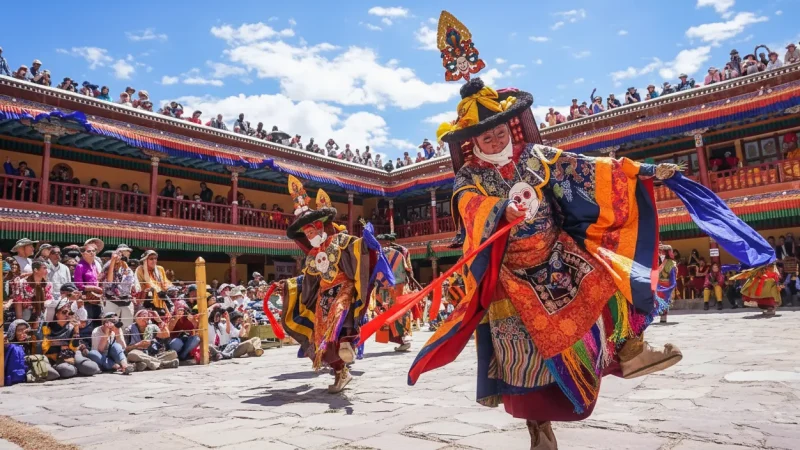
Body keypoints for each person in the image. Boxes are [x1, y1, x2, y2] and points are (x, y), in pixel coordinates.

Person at [401, 73, 686, 448]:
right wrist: (501, 210)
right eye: (485, 135)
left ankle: (631, 351)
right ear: (472, 140)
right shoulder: (469, 176)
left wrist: (643, 170)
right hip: (510, 276)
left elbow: (586, 168)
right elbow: (468, 207)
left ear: (510, 125)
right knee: (526, 356)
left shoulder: (535, 156)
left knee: (607, 279)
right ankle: (538, 427)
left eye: (499, 129)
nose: (495, 138)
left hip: (557, 255)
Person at [276, 177, 388, 393]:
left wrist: (367, 242)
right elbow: (307, 282)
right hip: (323, 296)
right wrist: (290, 286)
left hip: (343, 289)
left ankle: (348, 343)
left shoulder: (339, 242)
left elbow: (357, 249)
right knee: (322, 339)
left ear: (319, 227)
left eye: (311, 232)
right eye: (306, 235)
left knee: (341, 316)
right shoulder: (312, 255)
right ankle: (340, 371)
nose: (309, 237)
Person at [40, 298, 101, 378]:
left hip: (72, 354)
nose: (67, 315)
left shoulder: (71, 327)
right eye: (64, 312)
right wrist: (60, 347)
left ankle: (77, 368)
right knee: (67, 370)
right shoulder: (47, 327)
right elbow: (44, 347)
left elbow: (74, 347)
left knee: (91, 368)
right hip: (55, 357)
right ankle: (73, 370)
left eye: (69, 313)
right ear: (56, 314)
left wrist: (76, 329)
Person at [103, 250, 139, 328]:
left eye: (124, 255)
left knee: (127, 327)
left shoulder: (127, 268)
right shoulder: (108, 266)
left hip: (126, 302)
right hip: (111, 301)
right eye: (119, 254)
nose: (121, 257)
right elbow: (109, 281)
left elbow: (128, 286)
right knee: (110, 326)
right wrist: (113, 261)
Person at [10, 259, 51, 326]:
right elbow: (18, 303)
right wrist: (20, 322)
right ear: (36, 270)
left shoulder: (47, 284)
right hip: (26, 316)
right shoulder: (21, 283)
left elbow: (49, 299)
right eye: (44, 268)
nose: (47, 271)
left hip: (42, 316)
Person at [135, 250, 172, 314]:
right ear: (145, 260)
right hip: (145, 301)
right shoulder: (140, 269)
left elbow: (165, 285)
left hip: (161, 300)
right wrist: (145, 267)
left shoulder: (160, 269)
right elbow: (148, 282)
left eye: (155, 258)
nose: (154, 261)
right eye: (151, 259)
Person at [657, 244, 678, 323]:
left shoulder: (671, 263)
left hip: (666, 284)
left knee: (665, 300)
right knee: (657, 300)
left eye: (662, 252)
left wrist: (672, 285)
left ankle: (663, 317)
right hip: (657, 283)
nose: (660, 253)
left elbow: (673, 275)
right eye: (659, 251)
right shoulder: (656, 261)